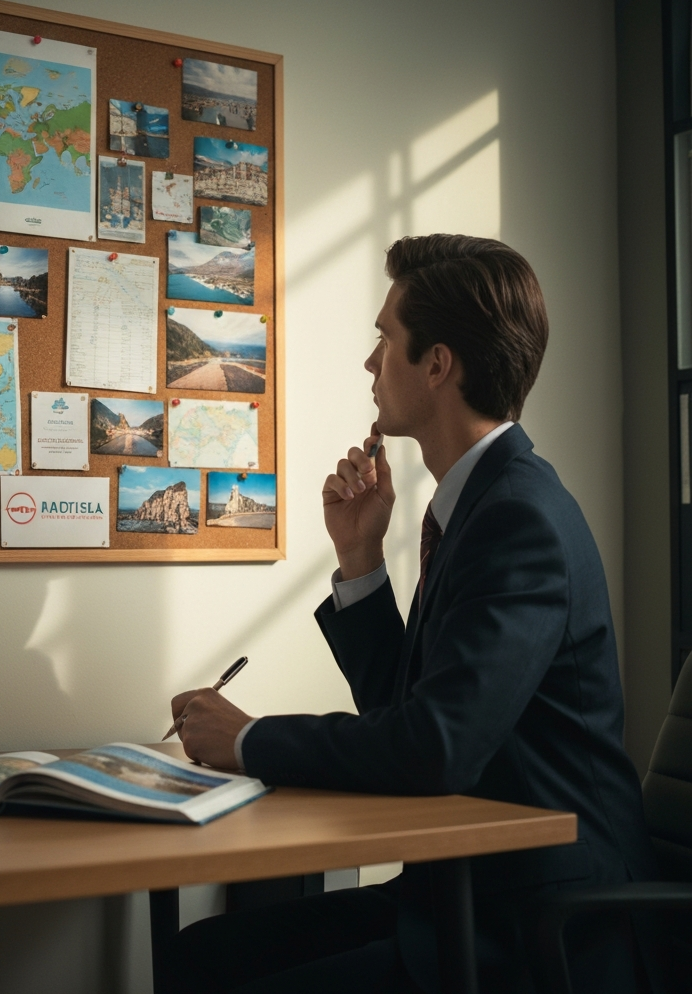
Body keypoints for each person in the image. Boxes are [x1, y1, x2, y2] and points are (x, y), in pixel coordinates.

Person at [164, 235, 657, 993]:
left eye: (386, 339)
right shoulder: (479, 504)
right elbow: (409, 717)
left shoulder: (518, 519)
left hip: (542, 924)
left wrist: (249, 739)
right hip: (457, 892)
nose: (371, 363)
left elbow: (435, 750)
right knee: (201, 957)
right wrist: (361, 558)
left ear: (437, 365)